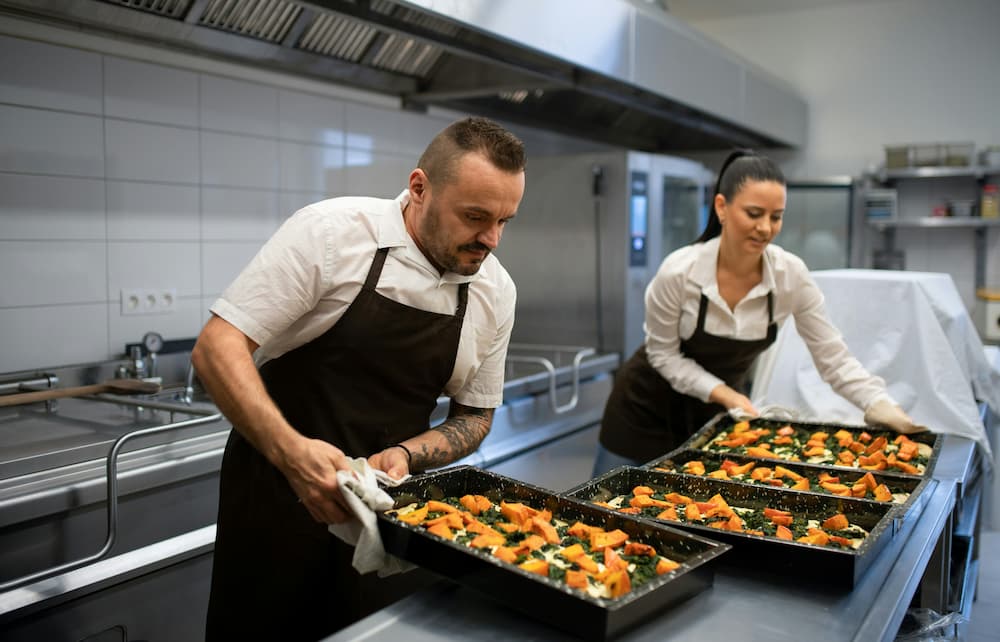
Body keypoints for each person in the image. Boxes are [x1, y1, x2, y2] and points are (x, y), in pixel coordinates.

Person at [192, 116, 526, 640]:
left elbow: (475, 415)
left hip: (386, 514)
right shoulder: (332, 234)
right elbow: (217, 347)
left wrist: (411, 454)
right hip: (275, 496)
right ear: (419, 188)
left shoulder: (495, 292)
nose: (492, 239)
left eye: (506, 220)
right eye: (475, 217)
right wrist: (293, 455)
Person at [593, 149, 921, 476]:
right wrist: (725, 393)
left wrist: (877, 402)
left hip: (714, 420)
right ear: (722, 207)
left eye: (775, 216)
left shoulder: (789, 275)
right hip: (642, 412)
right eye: (753, 213)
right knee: (606, 510)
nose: (765, 227)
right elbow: (663, 355)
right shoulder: (680, 273)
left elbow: (831, 355)